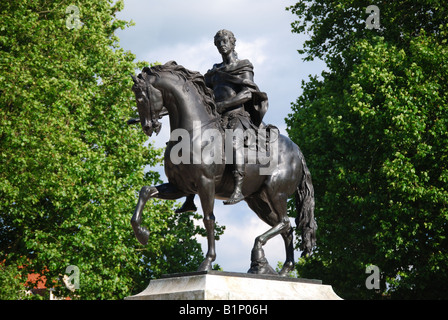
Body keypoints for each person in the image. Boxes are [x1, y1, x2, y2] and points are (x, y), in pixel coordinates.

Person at [176, 29, 268, 213]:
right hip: (216, 119)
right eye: (218, 42)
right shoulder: (214, 72)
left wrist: (224, 105)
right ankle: (189, 198)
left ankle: (239, 188)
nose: (222, 45)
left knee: (233, 142)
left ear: (233, 42)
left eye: (225, 41)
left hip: (238, 116)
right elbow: (197, 94)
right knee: (194, 146)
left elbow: (248, 93)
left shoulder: (243, 66)